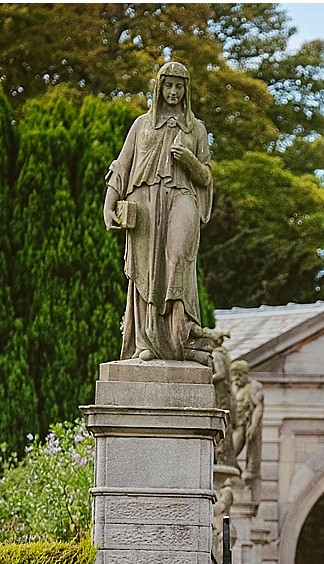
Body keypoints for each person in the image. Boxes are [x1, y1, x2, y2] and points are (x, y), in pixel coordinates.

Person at [103, 60, 213, 363]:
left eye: (179, 86)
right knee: (148, 271)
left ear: (186, 90)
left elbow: (205, 177)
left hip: (182, 196)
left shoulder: (197, 129)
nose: (174, 91)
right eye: (169, 85)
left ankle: (182, 336)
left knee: (179, 258)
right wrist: (109, 203)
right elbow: (122, 165)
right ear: (159, 87)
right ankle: (147, 340)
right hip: (145, 199)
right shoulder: (142, 124)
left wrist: (189, 159)